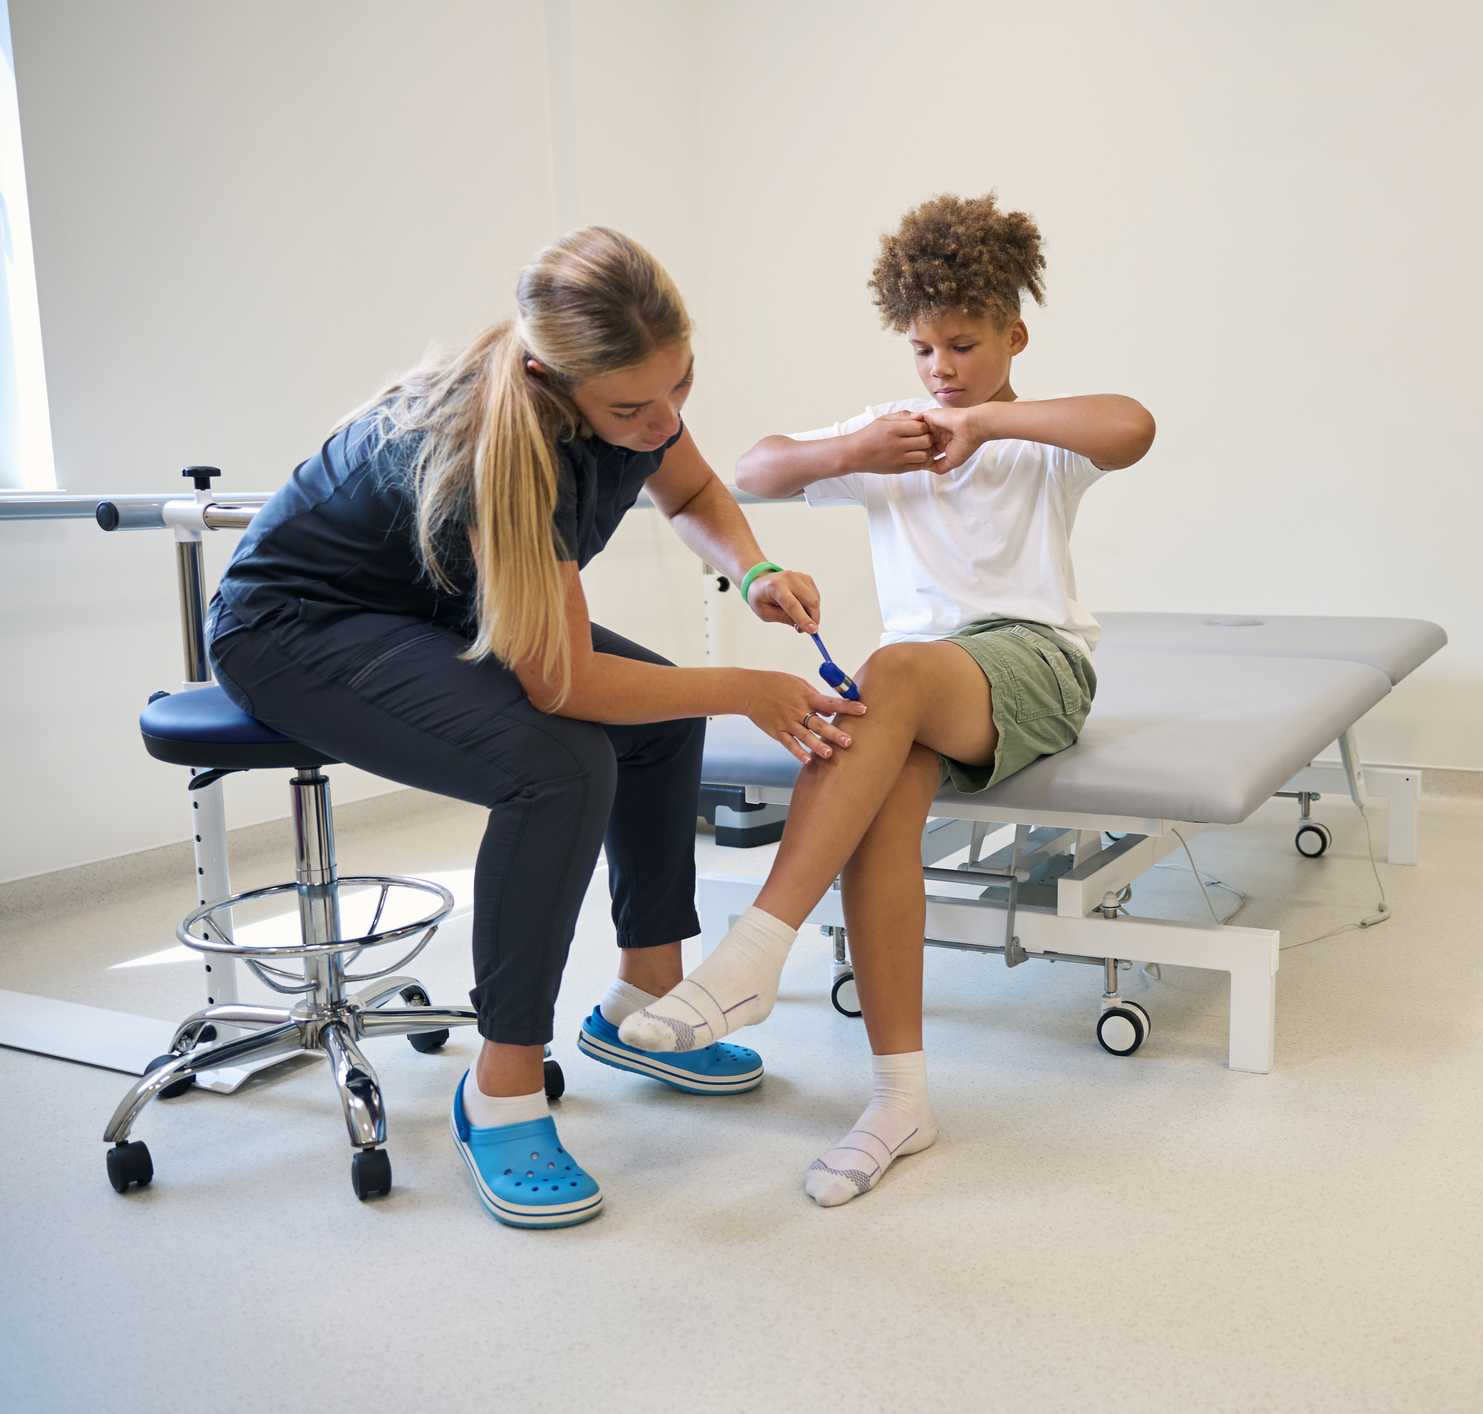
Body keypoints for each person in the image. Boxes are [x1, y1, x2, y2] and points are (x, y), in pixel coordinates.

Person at [207, 227, 860, 1228]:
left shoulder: (634, 397)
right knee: (558, 766)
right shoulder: (503, 446)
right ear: (555, 381)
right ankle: (501, 1087)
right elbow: (562, 686)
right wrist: (745, 688)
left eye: (680, 386)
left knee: (660, 714)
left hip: (428, 605)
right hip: (295, 628)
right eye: (632, 409)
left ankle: (643, 1003)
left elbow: (689, 486)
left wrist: (754, 569)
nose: (663, 420)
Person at [620, 193, 1155, 1206]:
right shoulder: (888, 440)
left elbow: (1132, 426)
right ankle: (899, 1098)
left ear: (1013, 337)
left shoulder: (1037, 443)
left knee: (893, 668)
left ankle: (754, 952)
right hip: (927, 689)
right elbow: (752, 468)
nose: (940, 369)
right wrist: (852, 452)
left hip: (1035, 663)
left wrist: (982, 423)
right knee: (880, 805)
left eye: (963, 345)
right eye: (922, 349)